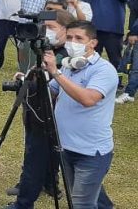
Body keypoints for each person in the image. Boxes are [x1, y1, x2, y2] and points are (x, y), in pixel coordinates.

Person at [43, 21, 117, 209]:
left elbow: (88, 99)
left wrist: (56, 72)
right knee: (81, 198)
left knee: (81, 204)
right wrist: (32, 78)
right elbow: (52, 90)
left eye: (78, 38)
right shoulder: (69, 66)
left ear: (92, 43)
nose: (72, 42)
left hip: (91, 152)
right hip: (66, 147)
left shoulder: (104, 70)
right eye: (69, 37)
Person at [5, 9, 73, 209]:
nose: (45, 32)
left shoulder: (68, 56)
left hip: (56, 118)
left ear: (65, 30)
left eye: (51, 28)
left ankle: (30, 199)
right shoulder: (43, 51)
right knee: (42, 155)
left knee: (51, 158)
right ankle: (45, 188)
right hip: (39, 115)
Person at [83, 0, 128, 72]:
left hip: (113, 31)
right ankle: (91, 76)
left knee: (115, 58)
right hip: (95, 30)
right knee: (92, 56)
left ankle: (118, 80)